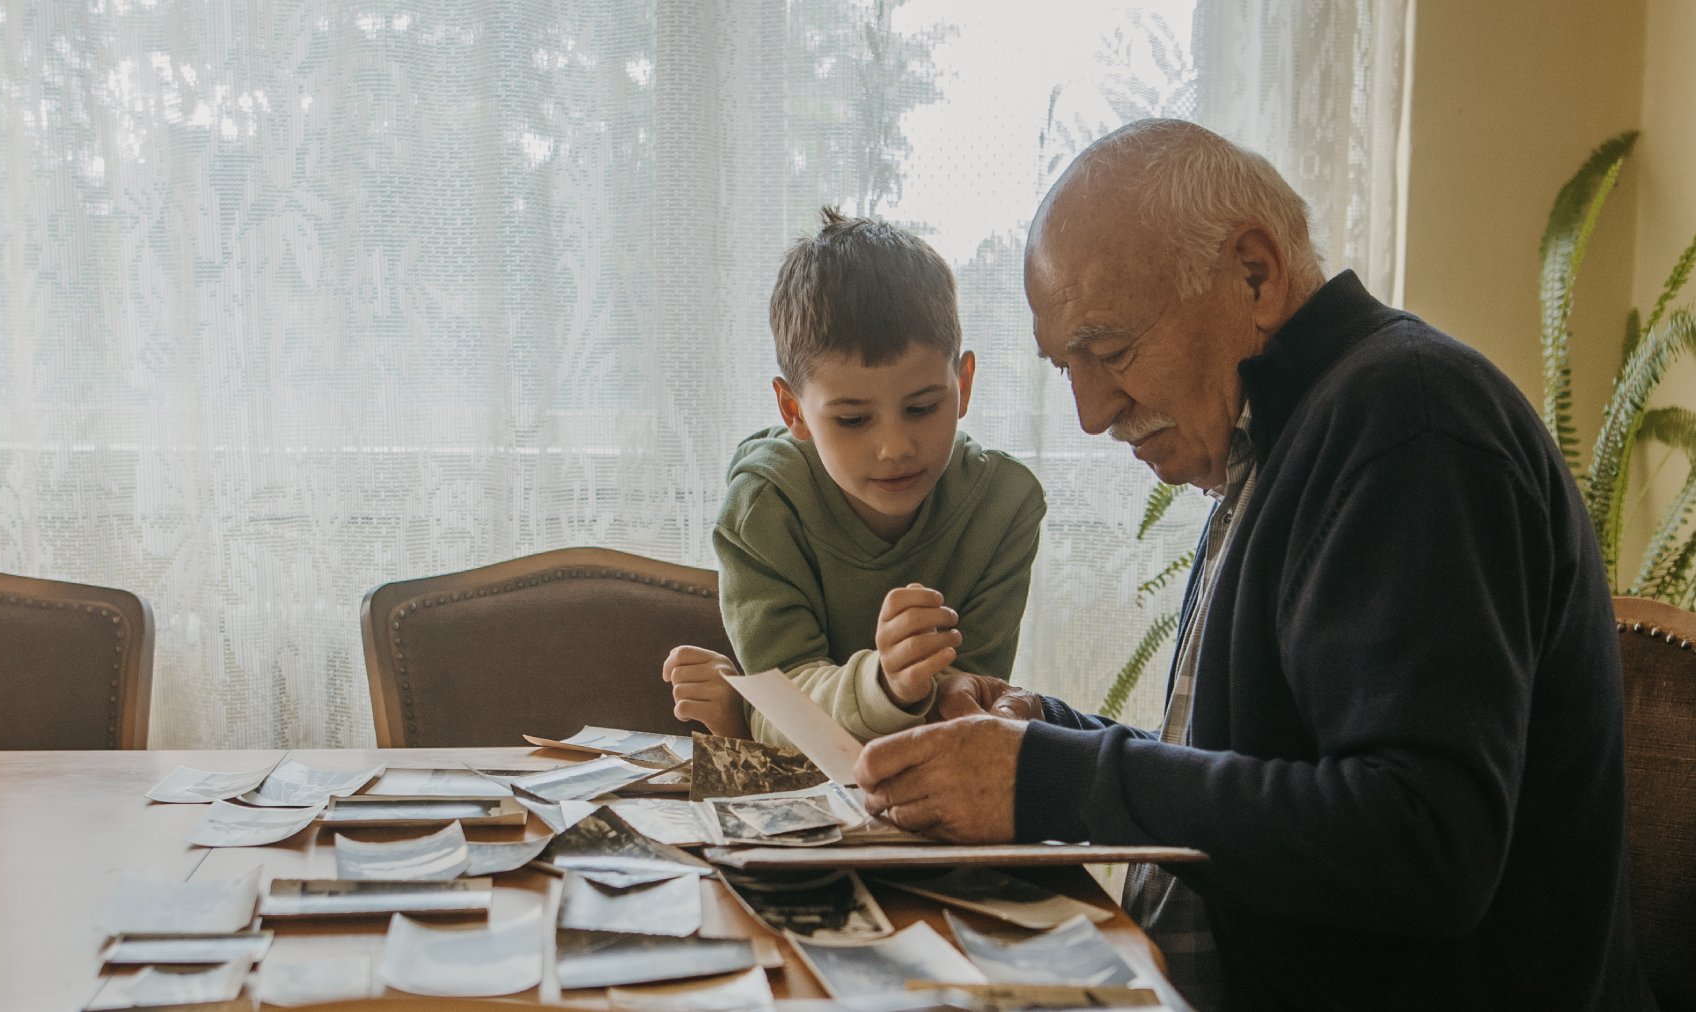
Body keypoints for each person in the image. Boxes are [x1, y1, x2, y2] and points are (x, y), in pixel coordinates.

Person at [852, 120, 1652, 1010]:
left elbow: (1423, 842)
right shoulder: (1291, 431)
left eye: (1110, 351)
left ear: (1256, 274)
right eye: (1066, 367)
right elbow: (1267, 785)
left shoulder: (1412, 423)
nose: (1089, 411)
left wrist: (1047, 778)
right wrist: (1043, 732)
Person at [662, 207, 1046, 747]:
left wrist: (950, 694)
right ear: (793, 410)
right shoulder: (762, 508)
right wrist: (886, 686)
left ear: (963, 383)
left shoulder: (1004, 506)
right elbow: (785, 703)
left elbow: (973, 705)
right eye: (852, 420)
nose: (894, 448)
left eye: (922, 407)